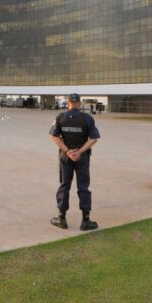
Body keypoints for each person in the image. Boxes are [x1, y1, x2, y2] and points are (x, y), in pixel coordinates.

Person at [49, 93, 100, 231]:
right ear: (79, 104)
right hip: (82, 157)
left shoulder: (61, 117)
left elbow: (54, 136)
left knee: (65, 185)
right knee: (83, 187)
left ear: (68, 104)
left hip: (66, 157)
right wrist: (79, 152)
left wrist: (67, 151)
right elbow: (94, 138)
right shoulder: (87, 118)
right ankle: (85, 220)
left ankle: (62, 218)